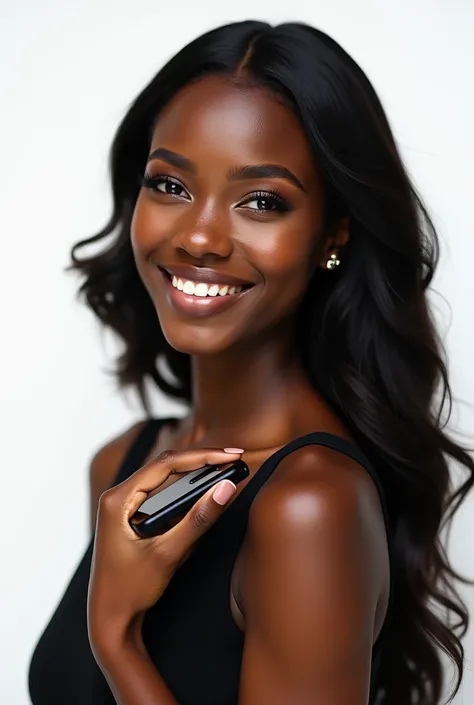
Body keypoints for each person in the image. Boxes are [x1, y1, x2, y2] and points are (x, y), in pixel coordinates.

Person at [28, 19, 473, 705]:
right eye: (169, 185)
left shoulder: (308, 505)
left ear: (333, 233)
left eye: (261, 200)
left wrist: (118, 639)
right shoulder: (124, 469)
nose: (200, 235)